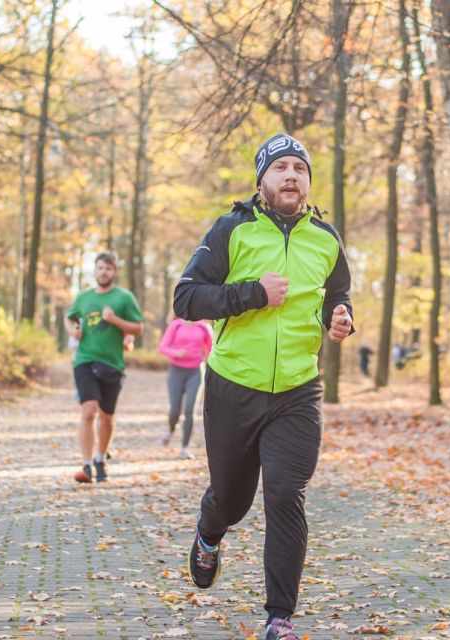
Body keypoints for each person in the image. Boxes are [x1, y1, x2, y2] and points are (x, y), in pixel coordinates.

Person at [173, 133, 353, 640]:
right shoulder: (232, 229)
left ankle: (280, 617)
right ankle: (210, 533)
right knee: (233, 500)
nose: (291, 175)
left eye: (300, 167)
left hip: (298, 390)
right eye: (281, 168)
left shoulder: (327, 238)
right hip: (234, 385)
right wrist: (252, 294)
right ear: (262, 181)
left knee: (285, 493)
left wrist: (339, 318)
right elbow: (186, 299)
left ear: (309, 182)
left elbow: (335, 294)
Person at [64, 252, 144, 483]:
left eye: (108, 269)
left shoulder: (124, 298)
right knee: (89, 410)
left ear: (114, 272)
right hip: (85, 360)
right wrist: (72, 330)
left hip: (112, 363)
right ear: (95, 270)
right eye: (99, 268)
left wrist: (115, 321)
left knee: (107, 416)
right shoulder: (83, 298)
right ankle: (86, 465)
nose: (103, 272)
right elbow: (69, 318)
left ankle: (100, 458)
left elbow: (138, 328)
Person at [158, 317, 214, 458]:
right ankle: (171, 430)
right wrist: (175, 352)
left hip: (195, 371)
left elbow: (212, 350)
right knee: (174, 410)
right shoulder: (176, 325)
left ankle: (185, 447)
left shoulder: (204, 327)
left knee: (190, 408)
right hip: (176, 371)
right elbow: (163, 347)